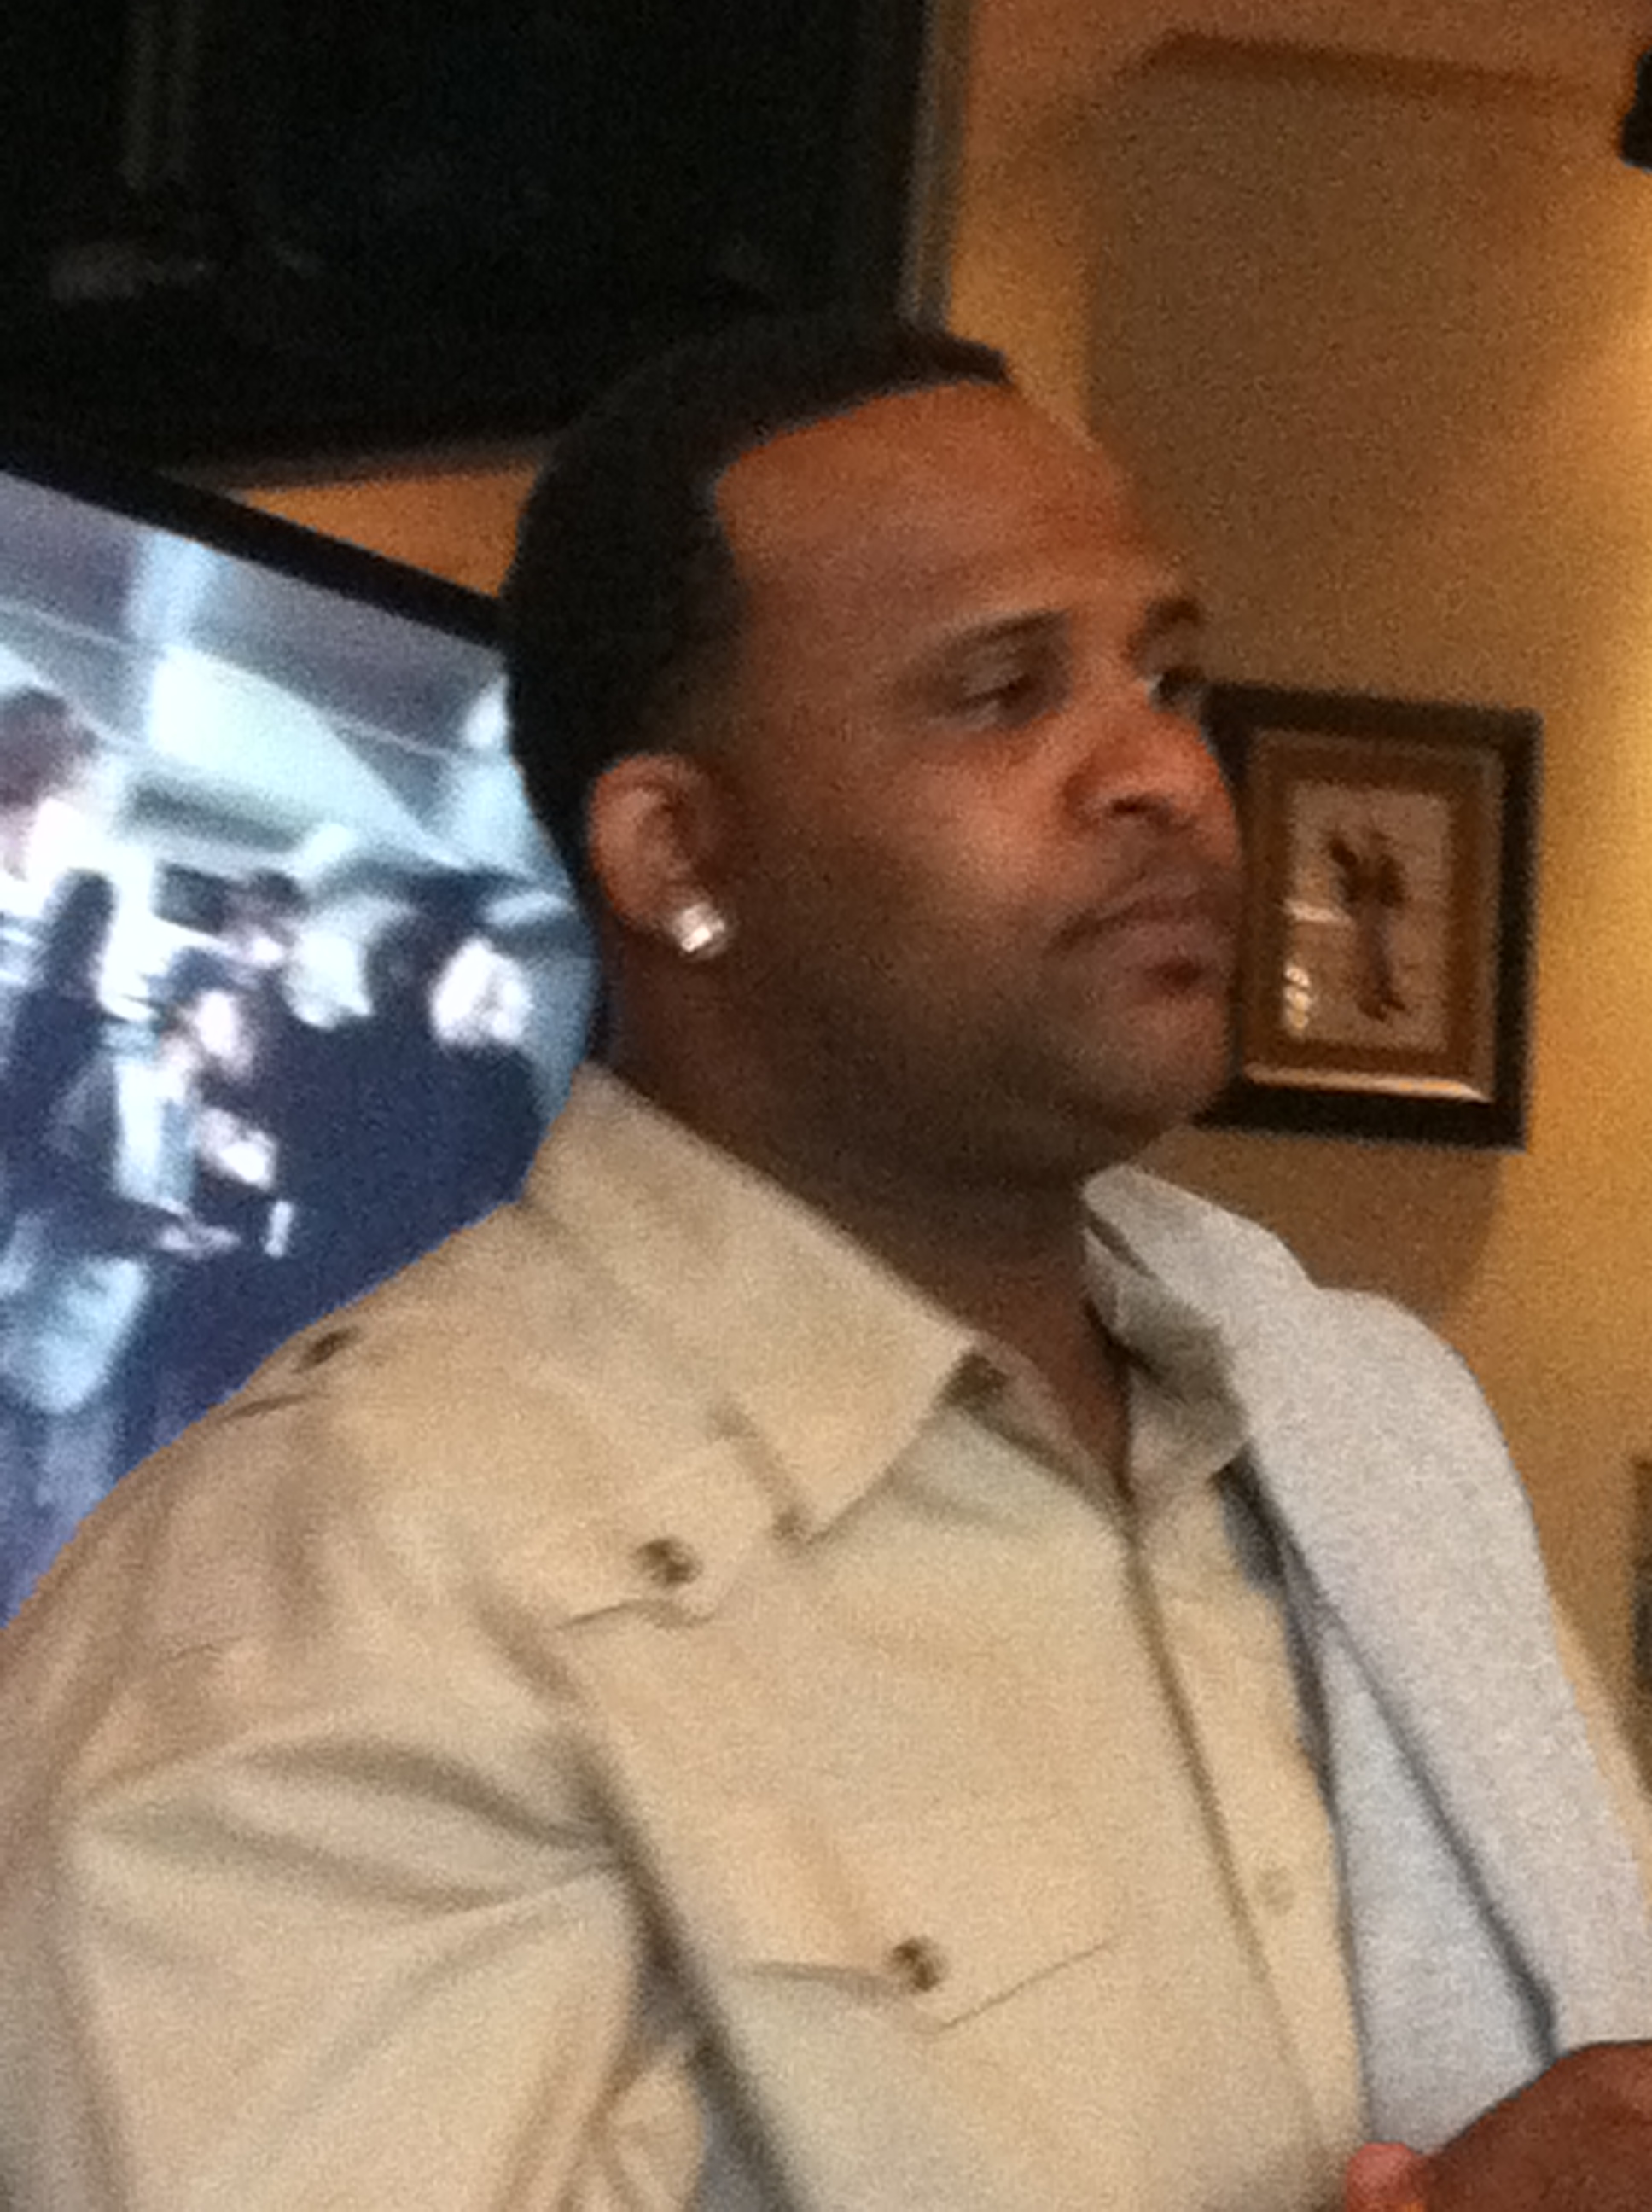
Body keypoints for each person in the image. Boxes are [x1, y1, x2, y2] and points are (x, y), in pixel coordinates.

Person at [0, 318, 1648, 2212]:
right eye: (1002, 693)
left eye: (1166, 677)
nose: (1166, 774)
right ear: (677, 855)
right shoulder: (319, 1617)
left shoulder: (1353, 1429)